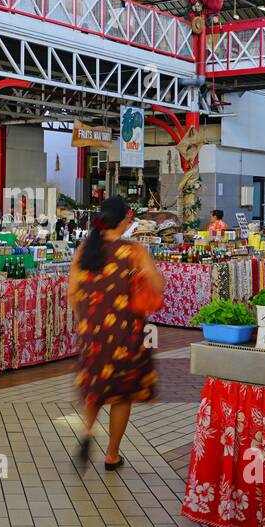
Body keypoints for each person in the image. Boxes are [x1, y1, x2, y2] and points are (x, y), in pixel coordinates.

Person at [68, 196, 163, 472]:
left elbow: (73, 293)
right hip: (126, 332)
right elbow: (157, 285)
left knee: (96, 386)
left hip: (92, 330)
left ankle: (87, 431)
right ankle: (112, 454)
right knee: (121, 394)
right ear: (123, 222)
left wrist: (85, 322)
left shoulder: (85, 250)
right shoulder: (133, 251)